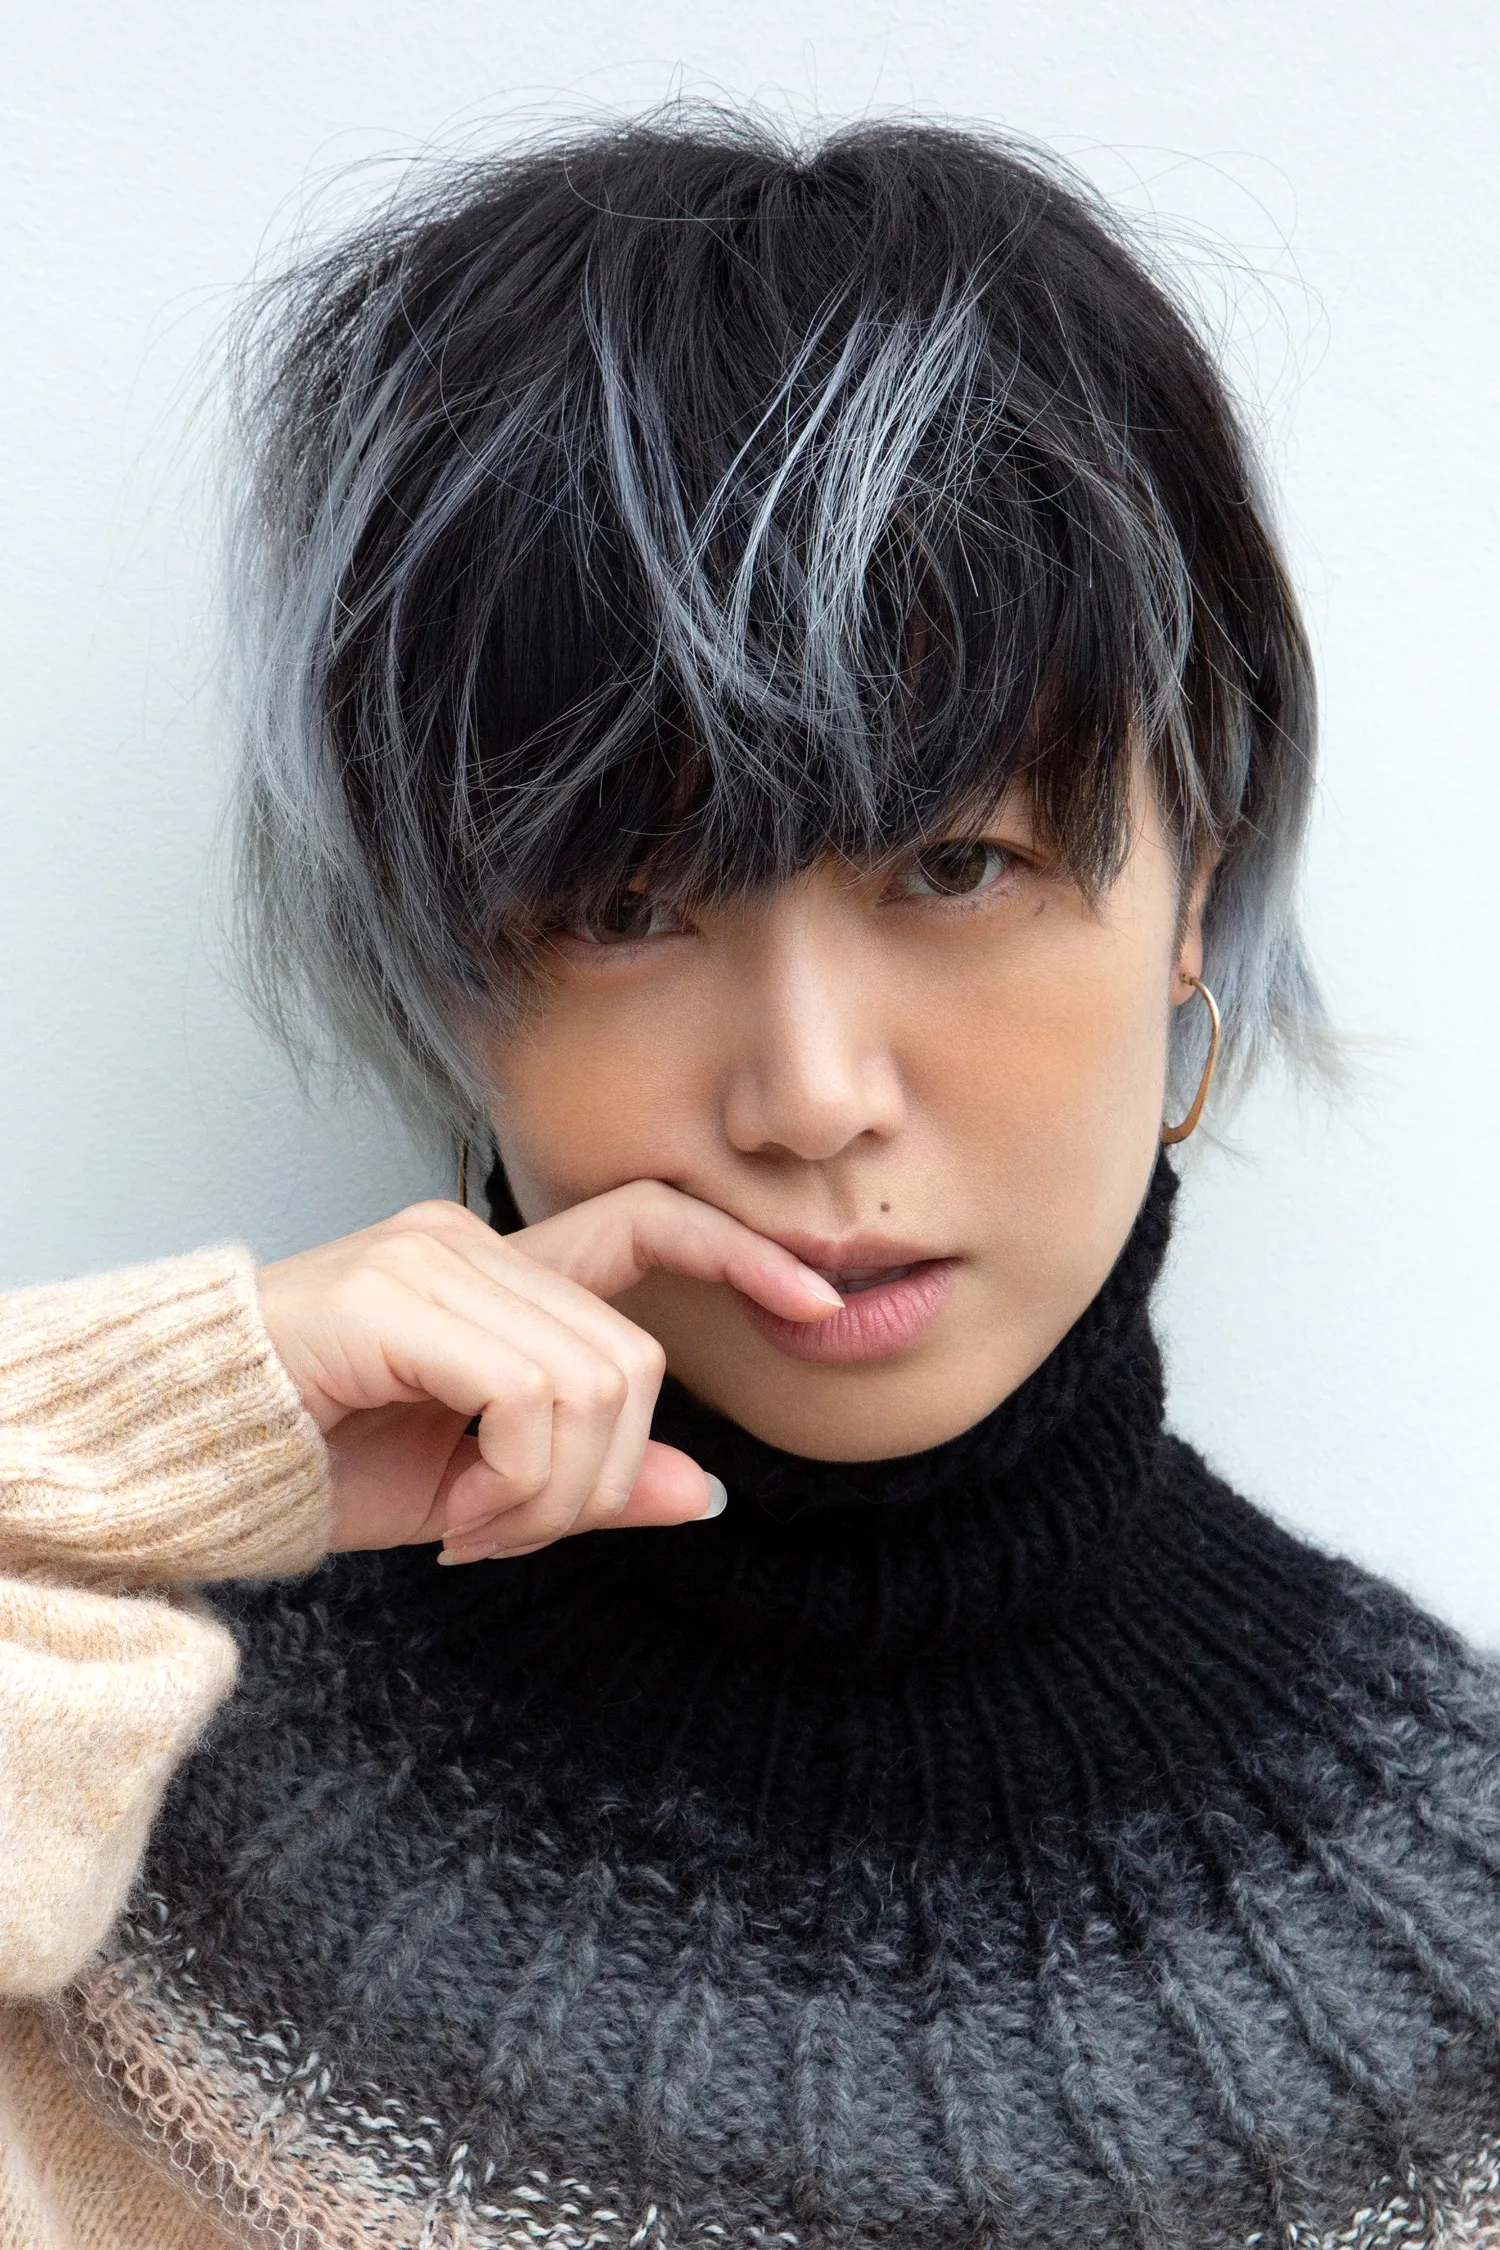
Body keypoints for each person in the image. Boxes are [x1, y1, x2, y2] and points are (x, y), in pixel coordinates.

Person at [2, 112, 1497, 2250]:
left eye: (955, 864)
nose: (808, 1096)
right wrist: (136, 1442)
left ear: (1200, 881)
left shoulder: (1465, 1939)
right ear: (448, 968)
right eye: (626, 904)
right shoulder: (117, 1778)